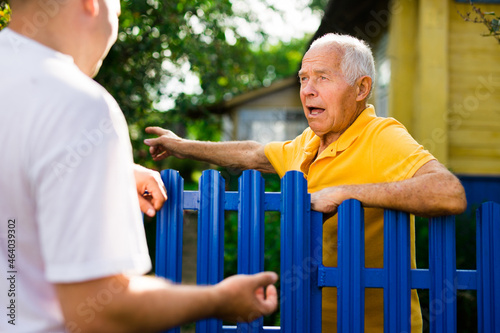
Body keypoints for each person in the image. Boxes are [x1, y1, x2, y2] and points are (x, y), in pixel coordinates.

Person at [144, 33, 467, 332]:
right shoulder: (310, 142)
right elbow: (252, 154)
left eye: (322, 78)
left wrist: (344, 194)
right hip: (308, 320)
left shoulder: (381, 136)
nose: (307, 90)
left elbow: (448, 192)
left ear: (361, 89)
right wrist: (182, 145)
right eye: (303, 79)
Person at [0, 0, 278, 332]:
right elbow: (100, 310)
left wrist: (110, 170)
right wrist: (219, 300)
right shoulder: (77, 103)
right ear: (92, 4)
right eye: (116, 13)